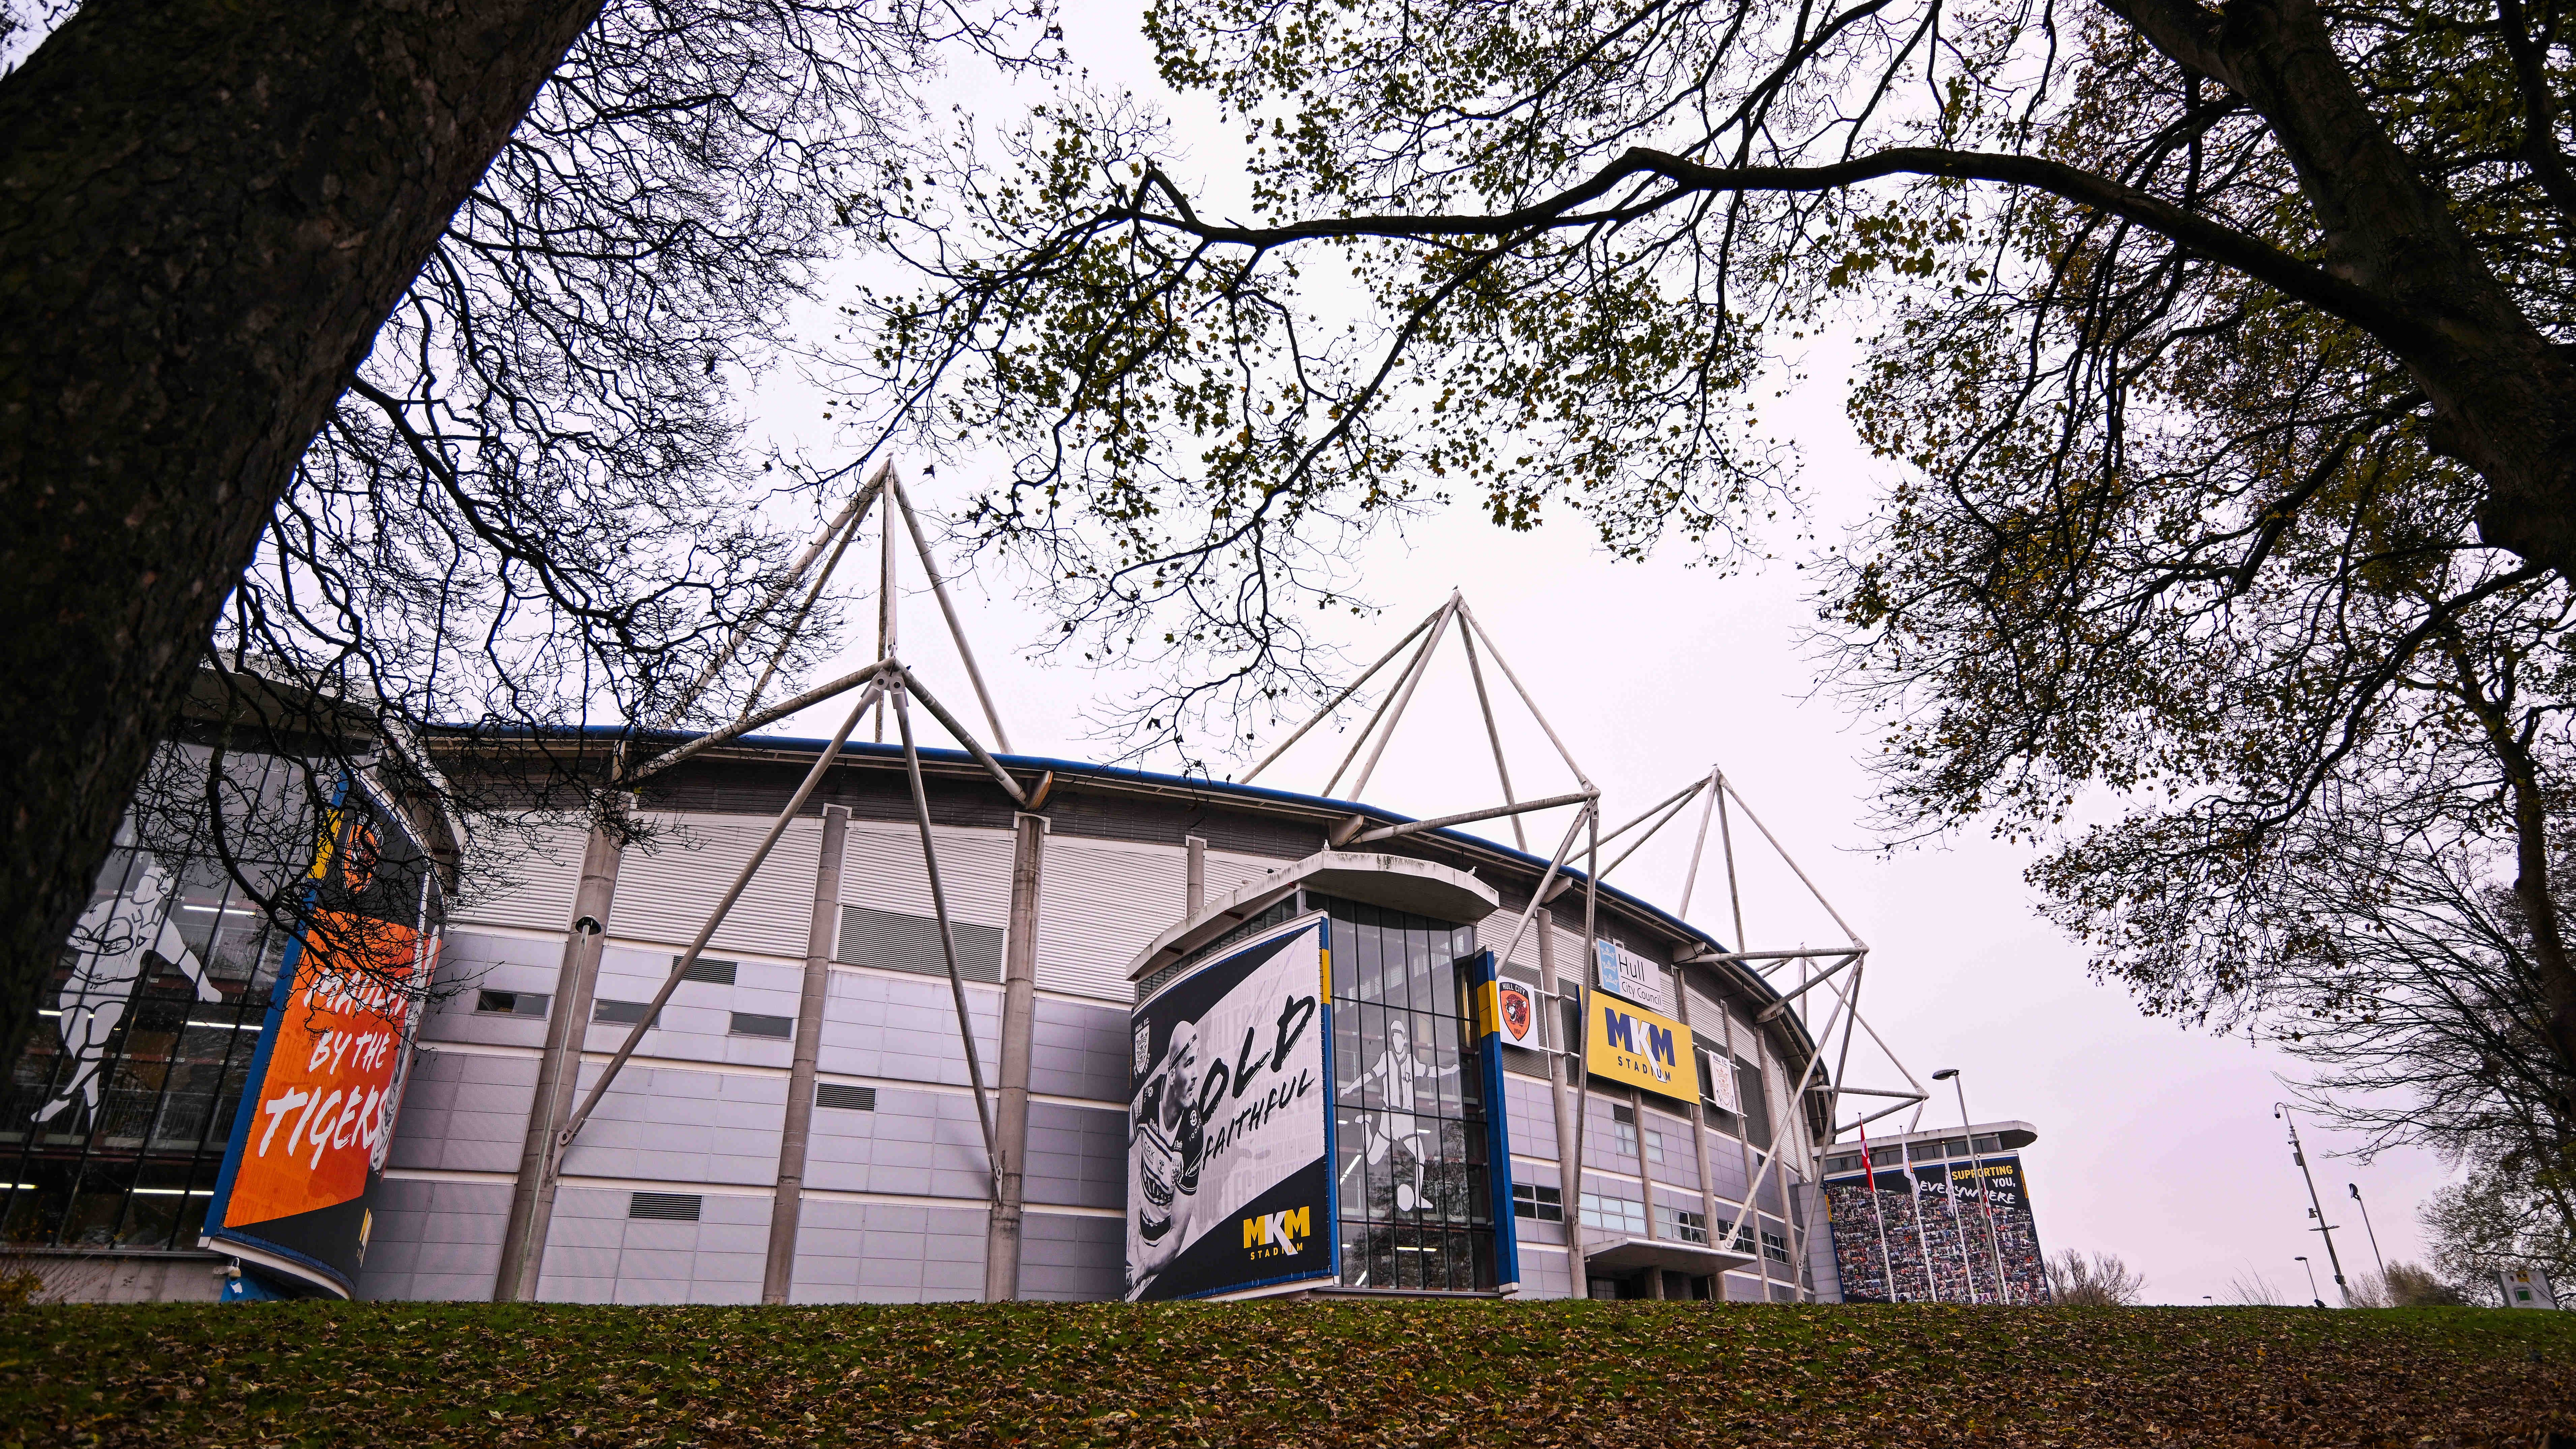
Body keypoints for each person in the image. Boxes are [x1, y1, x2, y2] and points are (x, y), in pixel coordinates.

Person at [38, 854, 222, 1126]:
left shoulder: (160, 926)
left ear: (161, 890)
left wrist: (204, 985)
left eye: (148, 882)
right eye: (143, 880)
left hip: (116, 991)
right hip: (83, 982)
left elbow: (183, 956)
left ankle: (66, 1099)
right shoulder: (109, 909)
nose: (140, 886)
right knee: (75, 1040)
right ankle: (91, 1099)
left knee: (96, 1043)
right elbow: (74, 932)